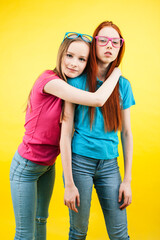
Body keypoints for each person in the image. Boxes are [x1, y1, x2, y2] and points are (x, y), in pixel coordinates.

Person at [10, 31, 121, 240]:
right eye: (69, 56)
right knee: (24, 234)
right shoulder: (50, 81)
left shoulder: (70, 85)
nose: (73, 63)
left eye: (82, 59)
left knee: (41, 220)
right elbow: (98, 99)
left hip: (48, 166)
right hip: (26, 167)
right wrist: (116, 73)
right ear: (60, 54)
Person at [60, 21, 135, 240]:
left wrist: (127, 180)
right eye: (103, 40)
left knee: (120, 234)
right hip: (79, 163)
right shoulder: (75, 81)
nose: (109, 46)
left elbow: (127, 133)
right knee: (78, 231)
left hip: (110, 165)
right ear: (94, 45)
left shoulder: (124, 85)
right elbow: (65, 134)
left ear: (120, 47)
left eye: (115, 42)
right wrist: (69, 183)